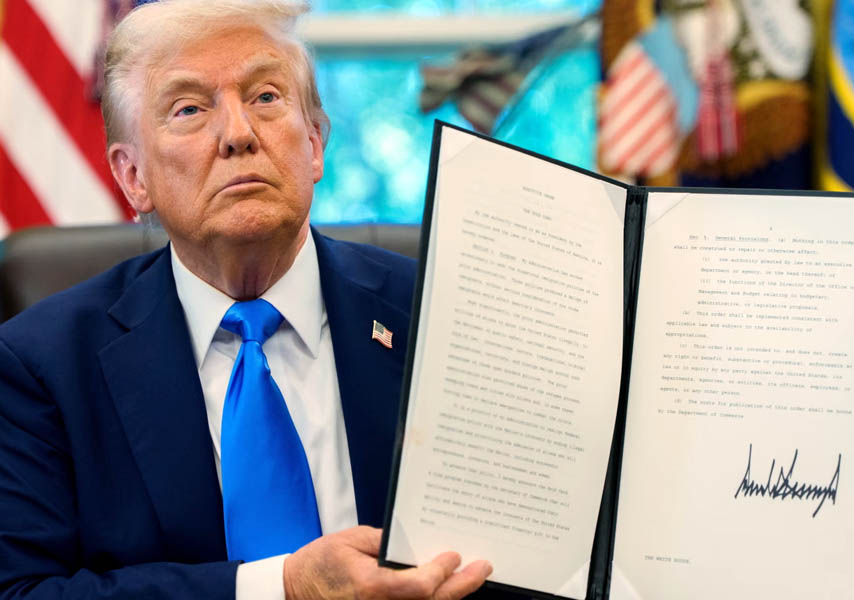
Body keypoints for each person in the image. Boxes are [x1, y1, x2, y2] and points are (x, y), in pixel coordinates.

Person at [0, 1, 491, 598]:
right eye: (188, 108)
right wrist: (282, 587)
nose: (238, 134)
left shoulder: (444, 316)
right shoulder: (40, 365)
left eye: (265, 97)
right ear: (134, 178)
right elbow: (21, 592)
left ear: (314, 145)